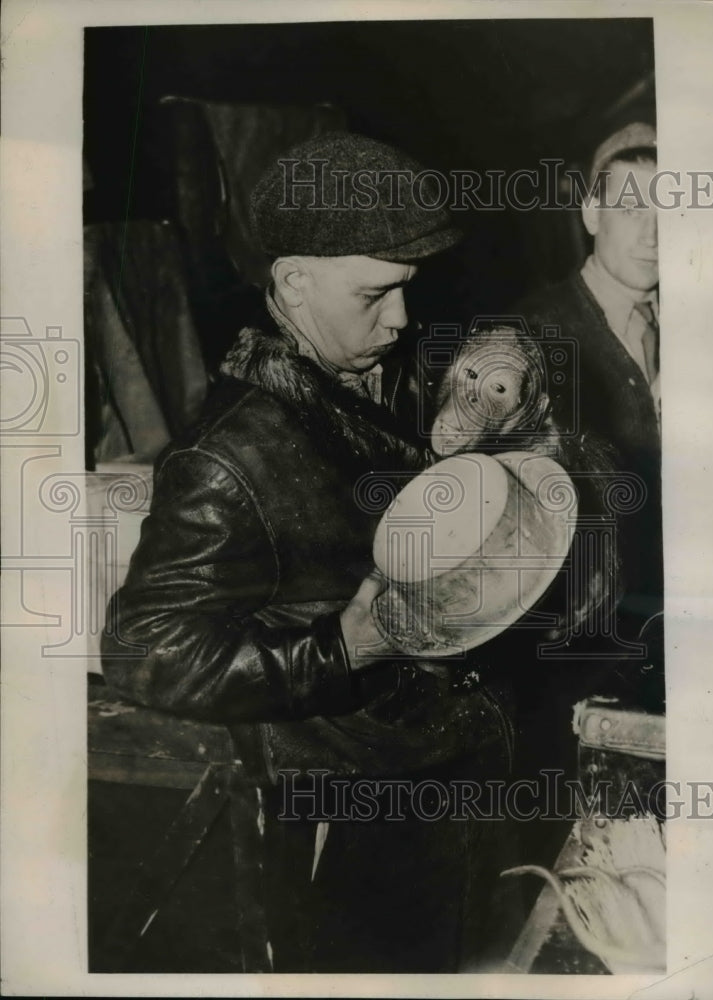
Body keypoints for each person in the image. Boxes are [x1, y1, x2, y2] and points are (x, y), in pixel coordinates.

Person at [101, 132, 523, 973]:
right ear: (292, 282)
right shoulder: (226, 459)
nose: (399, 319)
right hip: (347, 821)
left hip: (441, 779)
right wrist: (341, 648)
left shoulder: (373, 376)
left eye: (406, 291)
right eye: (376, 294)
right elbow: (144, 652)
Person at [515, 122, 663, 702]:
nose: (654, 235)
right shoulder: (530, 336)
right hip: (589, 654)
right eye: (631, 210)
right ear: (592, 215)